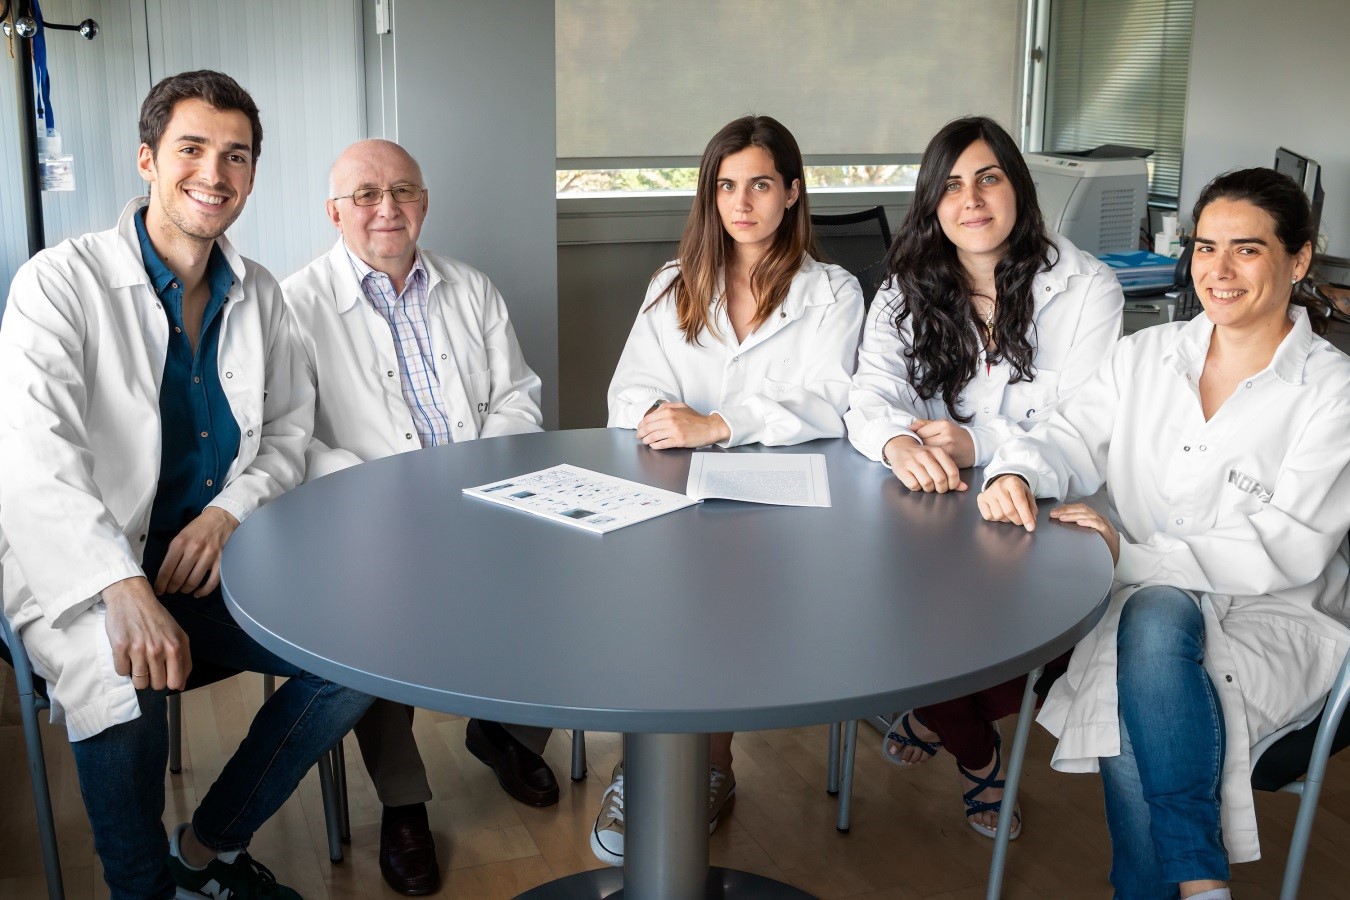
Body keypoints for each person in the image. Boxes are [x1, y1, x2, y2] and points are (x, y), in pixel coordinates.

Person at [0, 70, 374, 900]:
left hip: (212, 564)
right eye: (192, 149)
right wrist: (120, 583)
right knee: (122, 668)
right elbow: (35, 461)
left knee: (356, 656)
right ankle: (144, 890)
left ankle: (207, 849)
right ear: (147, 159)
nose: (215, 173)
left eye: (236, 156)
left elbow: (287, 436)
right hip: (85, 570)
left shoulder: (262, 295)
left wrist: (225, 512)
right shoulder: (57, 285)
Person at [978, 167, 1350, 898]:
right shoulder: (1146, 355)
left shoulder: (1333, 390)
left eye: (1247, 250)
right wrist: (1015, 473)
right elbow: (1066, 434)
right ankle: (1199, 880)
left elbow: (1289, 544)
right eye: (1206, 247)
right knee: (1147, 629)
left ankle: (1159, 883)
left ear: (1299, 259)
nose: (1218, 270)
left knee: (1135, 652)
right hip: (1144, 596)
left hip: (1274, 612)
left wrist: (1131, 555)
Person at [282, 138, 549, 895]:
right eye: (365, 195)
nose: (386, 207)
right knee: (377, 622)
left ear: (424, 202)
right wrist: (395, 497)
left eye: (402, 191)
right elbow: (291, 441)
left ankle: (505, 732)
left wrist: (478, 479)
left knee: (570, 578)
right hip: (370, 521)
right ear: (334, 212)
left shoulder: (472, 288)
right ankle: (404, 803)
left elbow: (518, 395)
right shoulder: (295, 307)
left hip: (485, 501)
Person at [844, 115, 1124, 839]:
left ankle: (946, 721)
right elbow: (867, 396)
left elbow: (1081, 422)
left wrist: (976, 441)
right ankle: (978, 757)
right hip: (923, 509)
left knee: (1025, 648)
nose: (971, 200)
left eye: (988, 178)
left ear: (1018, 189)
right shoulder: (908, 285)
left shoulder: (1085, 287)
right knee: (897, 629)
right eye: (952, 185)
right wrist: (894, 443)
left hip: (1039, 502)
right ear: (933, 204)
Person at [599, 114, 864, 864]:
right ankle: (653, 765)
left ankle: (705, 767)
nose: (741, 202)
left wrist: (716, 424)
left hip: (788, 502)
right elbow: (627, 394)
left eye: (759, 185)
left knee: (719, 594)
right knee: (650, 593)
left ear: (792, 193)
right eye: (725, 186)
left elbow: (832, 404)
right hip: (674, 491)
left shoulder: (833, 293)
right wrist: (661, 417)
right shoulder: (674, 284)